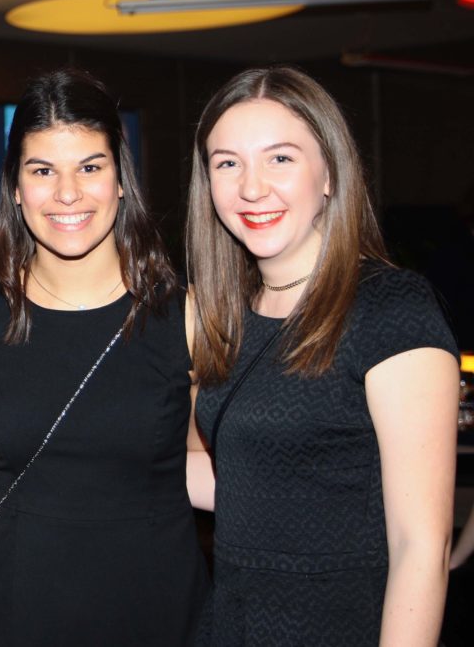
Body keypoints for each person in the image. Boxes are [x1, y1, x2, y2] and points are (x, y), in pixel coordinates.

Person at [0, 67, 210, 644]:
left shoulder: (190, 318)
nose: (68, 193)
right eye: (43, 170)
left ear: (121, 180)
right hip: (23, 611)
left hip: (162, 612)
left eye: (90, 168)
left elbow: (219, 469)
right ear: (15, 186)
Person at [186, 66, 459, 646]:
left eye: (280, 159)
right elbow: (254, 478)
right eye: (227, 163)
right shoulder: (230, 316)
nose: (251, 188)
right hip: (234, 623)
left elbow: (421, 547)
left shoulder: (389, 308)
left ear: (330, 173)